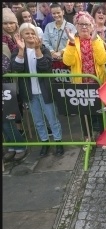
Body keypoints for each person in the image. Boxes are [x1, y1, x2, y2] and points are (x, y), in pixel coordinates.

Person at [11, 22, 64, 157]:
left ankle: (58, 142)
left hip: (45, 91)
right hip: (29, 93)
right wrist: (22, 51)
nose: (30, 35)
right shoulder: (17, 51)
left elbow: (45, 66)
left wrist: (38, 49)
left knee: (52, 118)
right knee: (38, 120)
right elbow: (16, 68)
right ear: (21, 36)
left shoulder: (44, 49)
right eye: (27, 33)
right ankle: (44, 142)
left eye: (32, 33)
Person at [63, 11, 106, 147]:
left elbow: (103, 59)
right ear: (76, 26)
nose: (84, 27)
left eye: (87, 24)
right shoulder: (72, 41)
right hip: (81, 84)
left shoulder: (96, 39)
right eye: (81, 24)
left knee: (101, 111)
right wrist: (71, 43)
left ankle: (104, 137)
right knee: (84, 113)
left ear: (92, 26)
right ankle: (87, 137)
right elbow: (67, 61)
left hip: (98, 82)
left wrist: (95, 41)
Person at [2, 15, 28, 163]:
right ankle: (11, 146)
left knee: (7, 120)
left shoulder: (4, 46)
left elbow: (6, 67)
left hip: (6, 89)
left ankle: (20, 146)